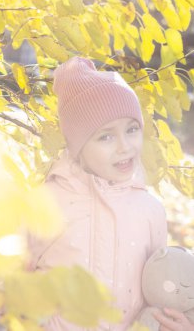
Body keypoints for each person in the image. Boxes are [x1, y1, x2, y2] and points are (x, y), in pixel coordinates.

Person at [28, 57, 193, 331]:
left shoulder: (150, 210)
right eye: (106, 136)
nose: (124, 146)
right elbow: (11, 276)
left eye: (132, 130)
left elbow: (162, 288)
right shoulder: (47, 203)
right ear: (78, 145)